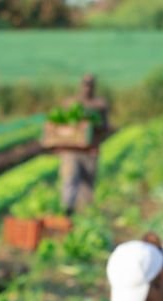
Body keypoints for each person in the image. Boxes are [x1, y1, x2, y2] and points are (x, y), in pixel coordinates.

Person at [56, 73, 110, 214]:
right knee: (69, 180)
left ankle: (85, 213)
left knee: (87, 183)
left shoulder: (99, 105)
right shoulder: (70, 103)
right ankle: (67, 210)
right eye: (85, 84)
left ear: (94, 87)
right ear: (81, 85)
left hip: (89, 150)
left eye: (90, 85)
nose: (87, 88)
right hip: (71, 150)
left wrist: (96, 140)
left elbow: (105, 128)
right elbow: (60, 127)